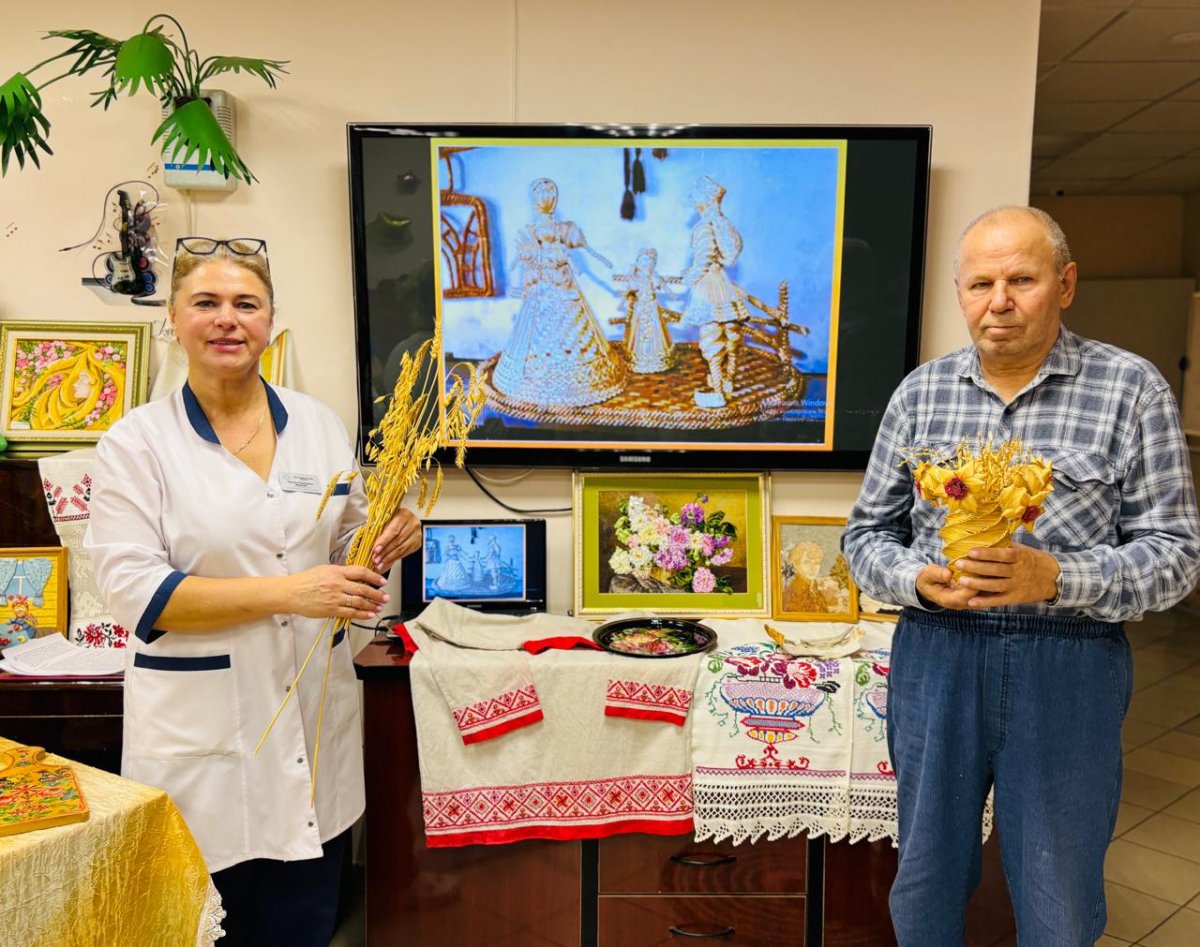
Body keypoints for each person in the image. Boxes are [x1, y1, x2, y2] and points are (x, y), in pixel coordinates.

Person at [843, 206, 1200, 947]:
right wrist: (917, 580)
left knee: (1057, 893)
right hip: (937, 652)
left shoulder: (1131, 389)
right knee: (926, 878)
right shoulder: (920, 393)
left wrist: (1057, 576)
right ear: (960, 292)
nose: (998, 301)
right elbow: (865, 536)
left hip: (1069, 663)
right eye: (980, 284)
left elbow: (1177, 555)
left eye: (1021, 280)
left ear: (1064, 284)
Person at [84, 237, 422, 947]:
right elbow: (135, 593)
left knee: (304, 926)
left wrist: (391, 534)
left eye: (246, 304)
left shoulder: (318, 426)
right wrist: (290, 593)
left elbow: (344, 548)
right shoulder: (136, 444)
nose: (227, 319)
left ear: (270, 319)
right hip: (201, 744)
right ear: (173, 318)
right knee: (205, 931)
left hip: (312, 734)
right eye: (205, 302)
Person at [492, 178, 626, 408]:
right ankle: (542, 374)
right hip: (545, 283)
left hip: (561, 281)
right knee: (542, 324)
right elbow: (525, 257)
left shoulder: (561, 235)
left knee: (571, 324)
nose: (547, 233)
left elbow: (576, 247)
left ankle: (578, 373)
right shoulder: (532, 237)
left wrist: (583, 256)